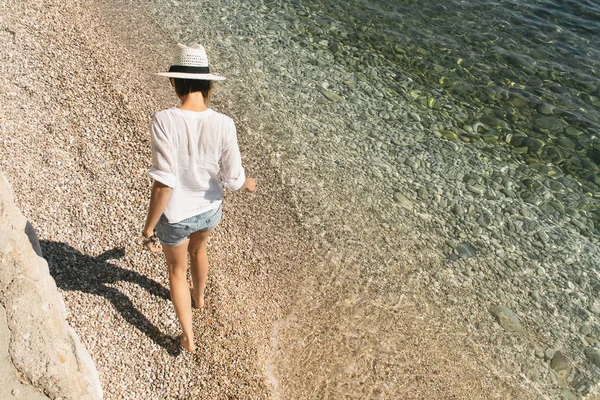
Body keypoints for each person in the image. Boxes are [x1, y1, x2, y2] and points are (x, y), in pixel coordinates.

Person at [142, 43, 256, 352]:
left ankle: (188, 337)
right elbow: (233, 179)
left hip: (176, 214)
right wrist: (248, 183)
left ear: (173, 82)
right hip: (210, 210)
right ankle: (200, 299)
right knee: (199, 252)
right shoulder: (224, 123)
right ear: (207, 85)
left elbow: (164, 183)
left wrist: (148, 228)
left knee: (177, 272)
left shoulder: (164, 120)